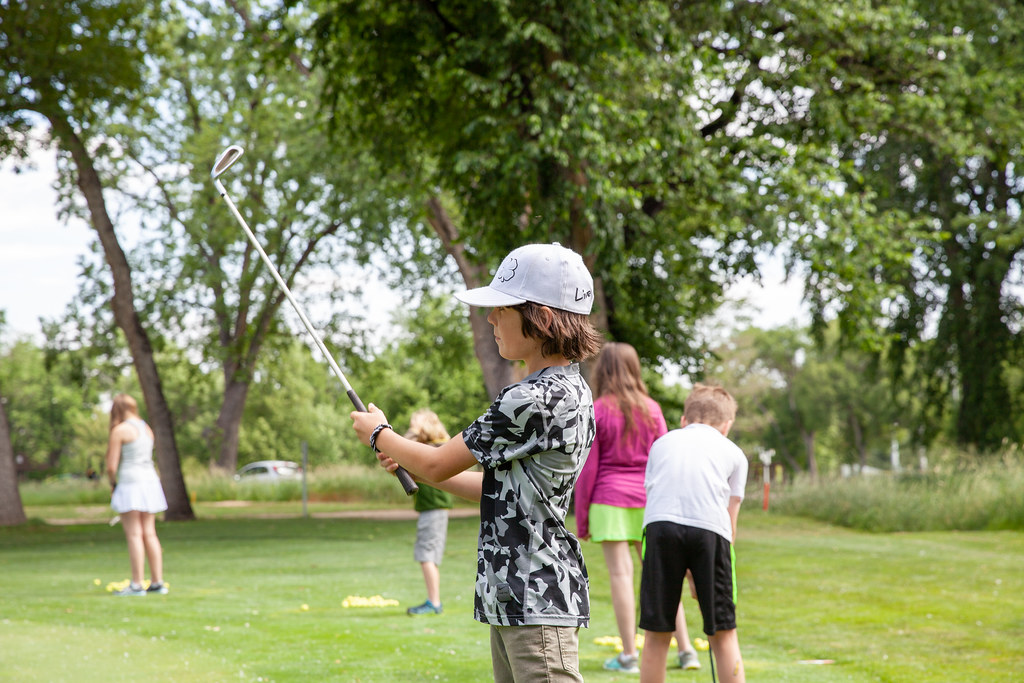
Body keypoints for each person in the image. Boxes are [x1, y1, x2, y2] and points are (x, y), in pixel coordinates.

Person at [351, 243, 604, 682]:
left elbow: (435, 463)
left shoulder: (532, 399)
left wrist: (379, 433)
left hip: (535, 597)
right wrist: (406, 456)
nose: (490, 319)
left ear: (540, 317)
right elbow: (494, 487)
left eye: (501, 308)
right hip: (518, 598)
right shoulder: (568, 389)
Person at [574, 342, 700, 673]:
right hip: (651, 502)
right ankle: (687, 651)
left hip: (608, 500)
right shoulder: (653, 409)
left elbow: (588, 470)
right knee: (664, 576)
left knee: (621, 576)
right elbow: (667, 460)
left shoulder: (597, 410)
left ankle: (629, 655)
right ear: (634, 368)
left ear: (602, 371)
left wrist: (583, 518)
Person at [638, 384, 748, 683]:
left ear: (684, 420)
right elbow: (730, 522)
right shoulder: (735, 453)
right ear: (727, 425)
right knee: (724, 633)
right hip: (712, 533)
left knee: (657, 634)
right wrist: (703, 575)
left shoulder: (662, 443)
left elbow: (657, 499)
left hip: (660, 530)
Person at [106, 393, 169, 597]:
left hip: (131, 483)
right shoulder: (146, 428)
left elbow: (111, 466)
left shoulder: (120, 430)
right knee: (149, 533)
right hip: (150, 482)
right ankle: (157, 582)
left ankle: (136, 584)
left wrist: (113, 484)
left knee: (134, 534)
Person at [404, 409, 454, 616]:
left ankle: (434, 601)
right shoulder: (439, 445)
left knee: (426, 555)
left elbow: (407, 443)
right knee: (428, 555)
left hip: (433, 511)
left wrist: (413, 431)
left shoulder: (433, 447)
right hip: (434, 510)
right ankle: (433, 600)